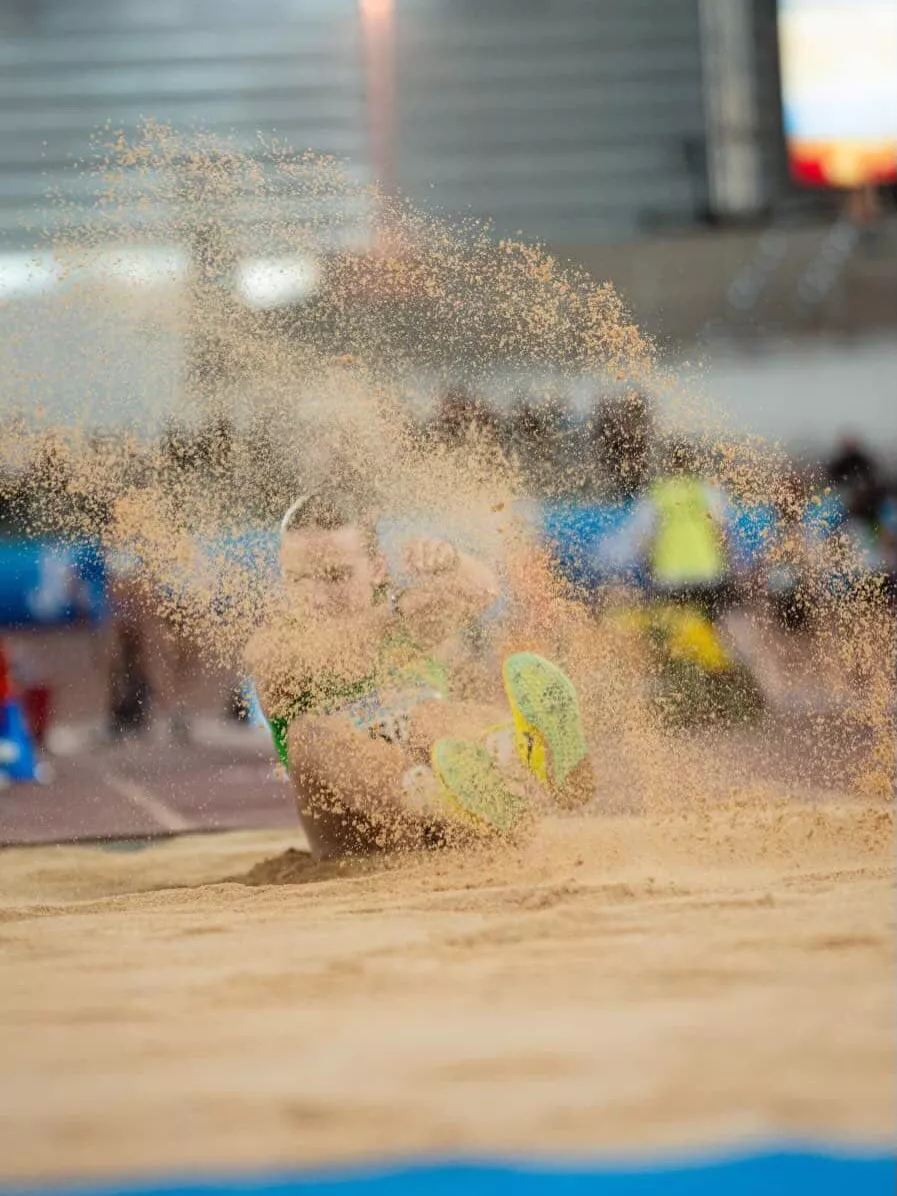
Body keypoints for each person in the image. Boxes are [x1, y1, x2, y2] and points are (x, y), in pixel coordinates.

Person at [244, 487, 594, 859]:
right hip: (360, 839)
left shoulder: (402, 614)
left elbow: (483, 590)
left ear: (377, 569)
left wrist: (450, 562)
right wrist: (405, 608)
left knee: (429, 715)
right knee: (311, 735)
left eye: (336, 576)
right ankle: (434, 793)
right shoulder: (272, 645)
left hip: (456, 813)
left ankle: (525, 754)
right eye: (299, 579)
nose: (316, 596)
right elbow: (337, 651)